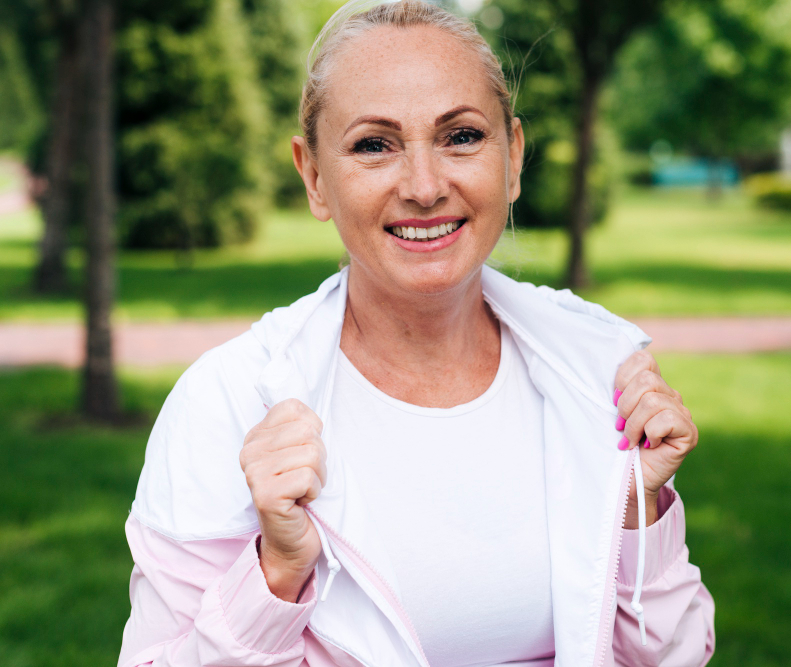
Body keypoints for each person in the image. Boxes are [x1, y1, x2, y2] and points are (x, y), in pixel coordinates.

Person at [117, 1, 715, 665]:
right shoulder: (225, 404)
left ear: (512, 157)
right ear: (314, 176)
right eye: (374, 145)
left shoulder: (603, 373)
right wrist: (276, 573)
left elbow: (673, 655)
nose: (425, 186)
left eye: (461, 136)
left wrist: (641, 511)